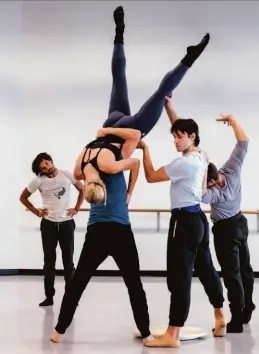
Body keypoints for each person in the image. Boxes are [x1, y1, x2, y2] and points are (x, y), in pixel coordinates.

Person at [73, 5, 211, 205]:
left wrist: (129, 194)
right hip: (112, 119)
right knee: (118, 79)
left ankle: (189, 58)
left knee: (160, 93)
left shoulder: (110, 167)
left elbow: (136, 151)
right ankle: (118, 34)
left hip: (129, 128)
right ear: (86, 185)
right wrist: (104, 131)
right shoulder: (79, 169)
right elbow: (76, 174)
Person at [138, 116, 226, 348]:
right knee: (206, 268)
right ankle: (219, 314)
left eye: (179, 136)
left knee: (179, 277)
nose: (176, 141)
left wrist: (144, 149)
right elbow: (183, 124)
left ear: (192, 136)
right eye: (174, 137)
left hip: (183, 222)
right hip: (199, 220)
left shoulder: (183, 164)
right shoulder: (201, 156)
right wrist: (168, 107)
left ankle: (173, 334)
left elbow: (150, 176)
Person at [202, 114, 255, 333]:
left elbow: (201, 196)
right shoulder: (231, 169)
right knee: (245, 269)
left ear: (211, 181)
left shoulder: (214, 194)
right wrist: (233, 121)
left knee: (231, 273)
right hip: (241, 224)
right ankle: (248, 307)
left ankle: (236, 319)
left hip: (225, 230)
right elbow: (243, 142)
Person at [19, 152, 84, 307]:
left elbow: (82, 189)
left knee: (68, 262)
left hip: (66, 223)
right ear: (41, 171)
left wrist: (76, 208)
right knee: (49, 261)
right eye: (43, 168)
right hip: (48, 225)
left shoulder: (67, 175)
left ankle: (70, 297)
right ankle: (49, 296)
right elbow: (23, 197)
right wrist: (36, 212)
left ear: (50, 161)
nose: (47, 168)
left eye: (47, 164)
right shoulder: (38, 181)